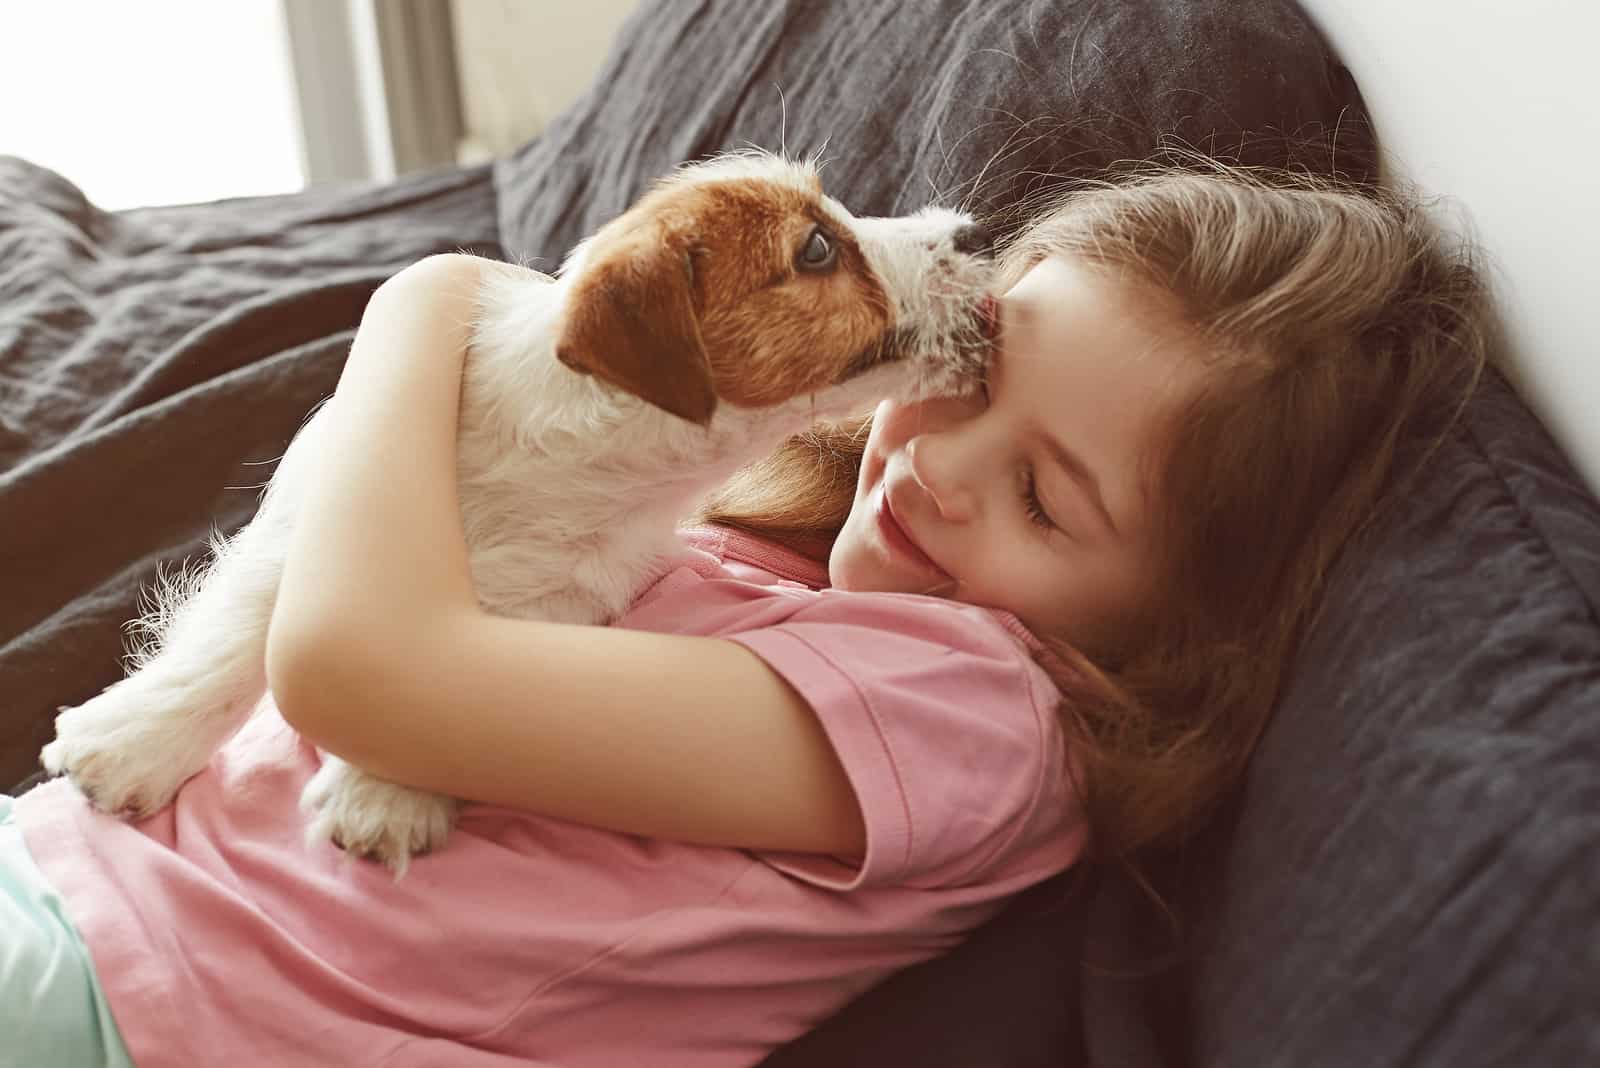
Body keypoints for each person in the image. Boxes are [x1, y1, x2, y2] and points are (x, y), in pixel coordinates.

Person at [2, 163, 1488, 1068]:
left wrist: (419, 301)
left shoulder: (973, 723)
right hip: (81, 870)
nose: (936, 463)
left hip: (154, 1013)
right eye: (967, 376)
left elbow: (360, 672)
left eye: (1046, 499)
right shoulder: (782, 550)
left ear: (1175, 626)